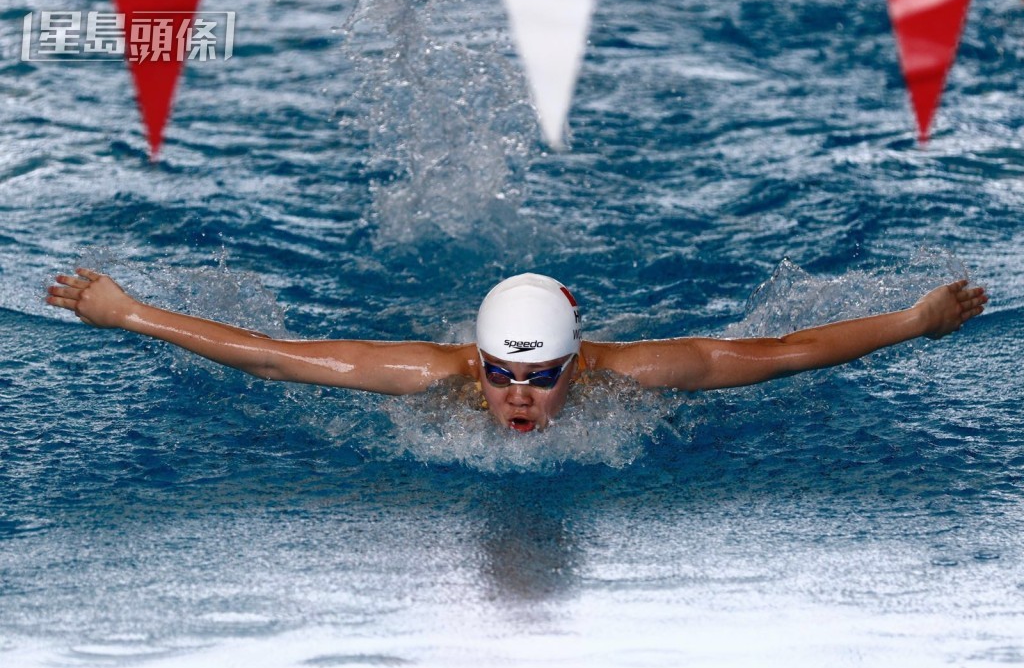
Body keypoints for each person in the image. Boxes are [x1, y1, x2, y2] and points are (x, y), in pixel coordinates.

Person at [45, 268, 987, 433]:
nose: (518, 397)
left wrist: (915, 320)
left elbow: (783, 351)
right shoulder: (433, 375)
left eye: (540, 376)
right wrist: (129, 313)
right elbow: (273, 356)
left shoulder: (629, 374)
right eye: (501, 374)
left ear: (577, 364)